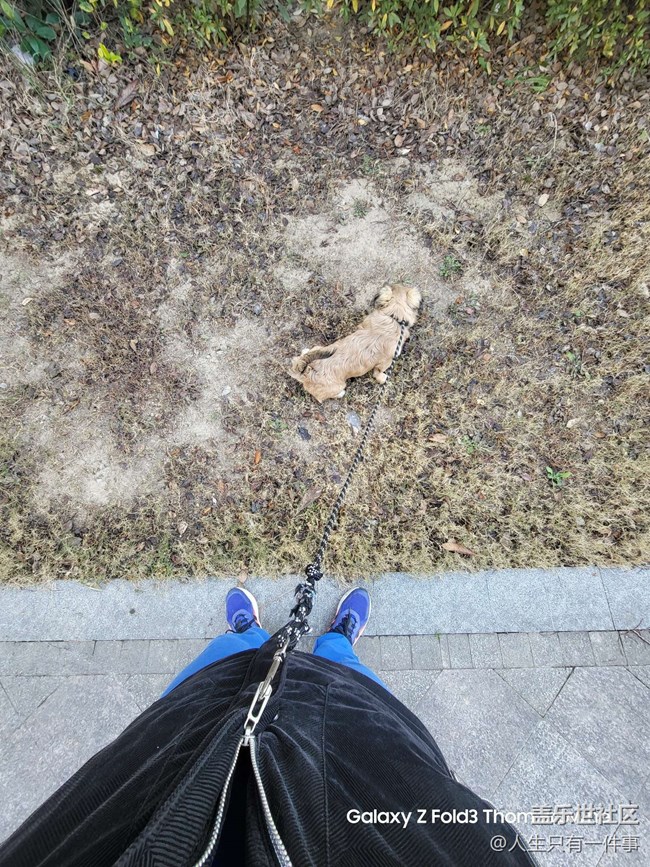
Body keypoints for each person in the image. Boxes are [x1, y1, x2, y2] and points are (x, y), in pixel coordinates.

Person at [0, 587, 537, 867]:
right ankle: (338, 642)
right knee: (354, 688)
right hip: (363, 773)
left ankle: (247, 634)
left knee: (215, 672)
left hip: (181, 757)